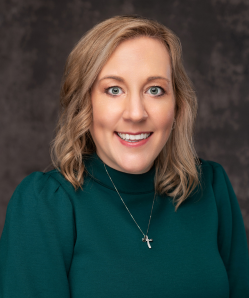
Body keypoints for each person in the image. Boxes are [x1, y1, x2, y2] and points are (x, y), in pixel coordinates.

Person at [0, 15, 248, 298]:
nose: (136, 113)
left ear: (177, 106)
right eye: (114, 90)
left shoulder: (211, 189)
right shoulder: (45, 205)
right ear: (85, 103)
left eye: (155, 90)